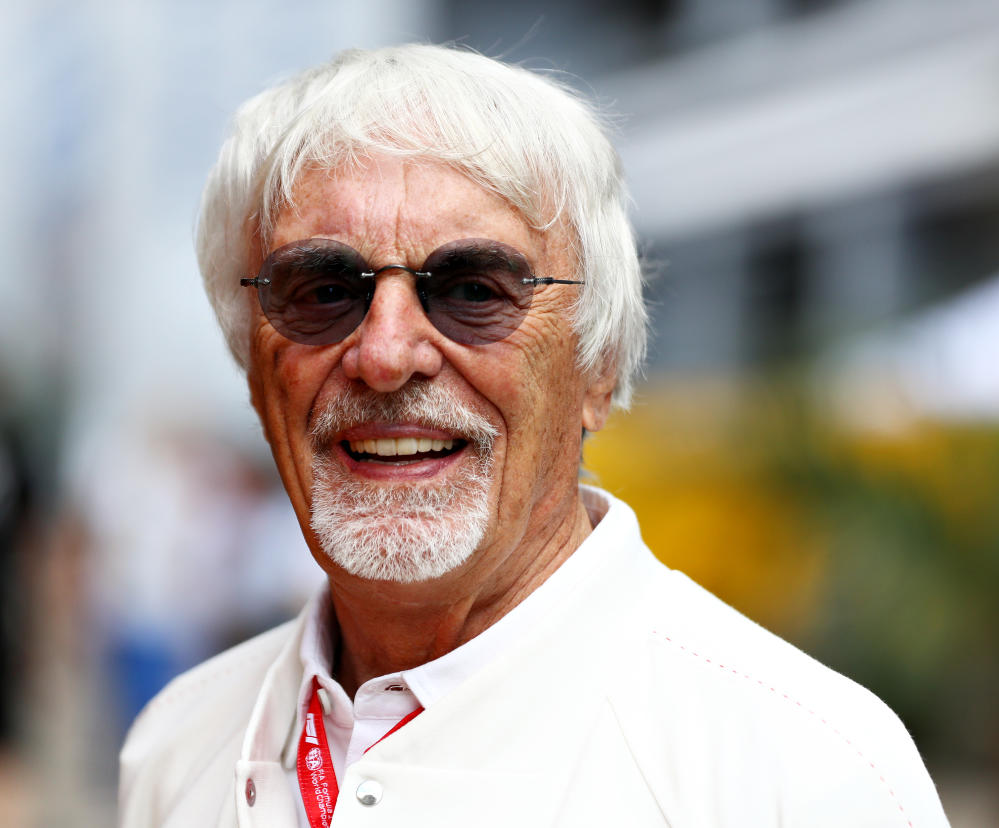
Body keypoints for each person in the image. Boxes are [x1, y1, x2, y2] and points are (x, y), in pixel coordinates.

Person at [119, 43, 949, 827]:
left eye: (474, 288)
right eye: (324, 290)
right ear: (254, 366)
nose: (384, 353)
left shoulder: (801, 772)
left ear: (599, 368)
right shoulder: (177, 746)